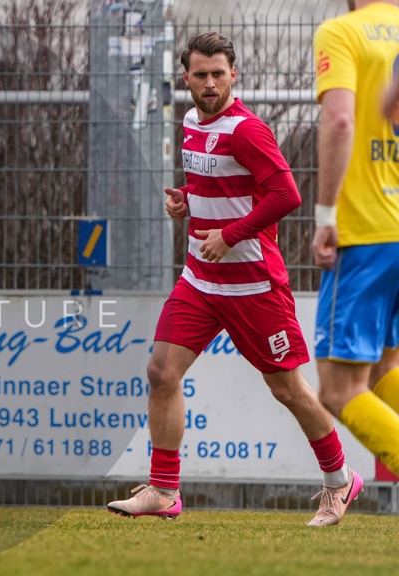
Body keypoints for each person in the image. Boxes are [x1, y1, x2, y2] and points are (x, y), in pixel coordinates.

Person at [107, 32, 361, 526]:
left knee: (288, 389)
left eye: (218, 73)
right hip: (200, 282)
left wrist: (230, 233)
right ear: (185, 77)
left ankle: (339, 479)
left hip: (253, 286)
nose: (209, 83)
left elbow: (285, 195)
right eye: (200, 74)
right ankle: (163, 489)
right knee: (161, 373)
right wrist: (185, 201)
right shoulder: (187, 123)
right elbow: (215, 185)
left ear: (233, 74)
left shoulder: (246, 129)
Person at [312, 0, 399, 478]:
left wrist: (326, 215)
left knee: (339, 391)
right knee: (385, 371)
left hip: (368, 234)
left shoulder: (343, 33)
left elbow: (341, 120)